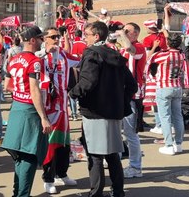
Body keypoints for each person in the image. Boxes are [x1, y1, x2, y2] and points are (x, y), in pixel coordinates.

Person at [69, 22, 137, 197]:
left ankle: (96, 193)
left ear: (96, 36)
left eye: (87, 34)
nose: (85, 37)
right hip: (113, 113)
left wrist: (72, 93)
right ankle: (118, 191)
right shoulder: (115, 55)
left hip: (94, 112)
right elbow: (132, 85)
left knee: (95, 156)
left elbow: (87, 82)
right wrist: (120, 102)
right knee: (113, 154)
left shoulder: (92, 54)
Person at [1, 26, 51, 197]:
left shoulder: (13, 58)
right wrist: (44, 117)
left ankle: (18, 193)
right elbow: (35, 90)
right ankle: (22, 194)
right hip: (30, 110)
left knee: (20, 155)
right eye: (40, 38)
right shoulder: (35, 61)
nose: (42, 41)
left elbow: (7, 85)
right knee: (30, 154)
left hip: (16, 107)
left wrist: (20, 90)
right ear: (32, 40)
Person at [38, 27, 80, 194]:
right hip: (47, 108)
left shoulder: (63, 55)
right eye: (53, 36)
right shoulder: (39, 56)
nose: (57, 39)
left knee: (64, 143)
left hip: (63, 107)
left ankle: (62, 173)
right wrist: (44, 53)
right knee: (50, 145)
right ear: (44, 39)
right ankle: (48, 179)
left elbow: (80, 60)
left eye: (58, 36)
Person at [150, 33, 189, 155]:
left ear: (168, 42)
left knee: (165, 117)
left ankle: (168, 144)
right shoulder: (181, 55)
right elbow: (185, 71)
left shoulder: (162, 55)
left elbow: (149, 62)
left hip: (164, 86)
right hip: (177, 87)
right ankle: (178, 144)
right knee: (178, 116)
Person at [119, 23, 146, 178]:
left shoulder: (139, 47)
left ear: (135, 33)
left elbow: (131, 50)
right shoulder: (122, 47)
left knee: (131, 134)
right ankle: (117, 161)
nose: (124, 32)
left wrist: (122, 35)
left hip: (132, 96)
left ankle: (135, 167)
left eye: (127, 30)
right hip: (120, 94)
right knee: (117, 132)